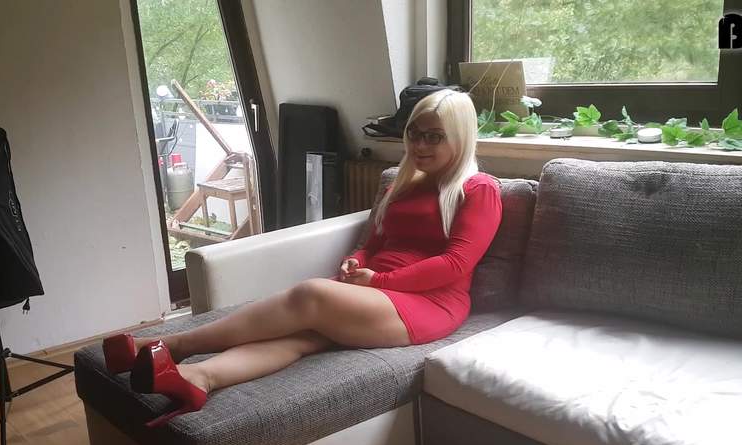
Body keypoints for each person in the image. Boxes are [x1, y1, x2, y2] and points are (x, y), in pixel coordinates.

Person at [102, 89, 502, 427]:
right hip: (373, 291)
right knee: (300, 338)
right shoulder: (401, 185)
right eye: (414, 133)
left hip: (430, 303)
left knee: (310, 295)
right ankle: (198, 378)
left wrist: (379, 281)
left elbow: (456, 263)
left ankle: (174, 345)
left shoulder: (479, 189)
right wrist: (356, 259)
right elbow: (375, 244)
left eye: (434, 137)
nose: (419, 145)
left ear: (460, 137)